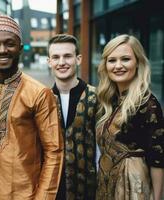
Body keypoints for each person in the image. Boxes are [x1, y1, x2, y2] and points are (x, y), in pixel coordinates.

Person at [0, 13, 64, 200]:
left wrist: (43, 197)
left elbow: (54, 152)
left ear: (20, 48)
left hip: (25, 194)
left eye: (10, 44)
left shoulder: (39, 93)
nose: (2, 50)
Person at [96, 34, 164, 200]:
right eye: (112, 60)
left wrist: (157, 198)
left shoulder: (147, 104)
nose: (118, 66)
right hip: (107, 186)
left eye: (125, 59)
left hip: (133, 189)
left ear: (138, 63)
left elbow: (158, 158)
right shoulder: (109, 100)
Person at [47, 34, 98, 200]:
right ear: (49, 62)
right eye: (56, 57)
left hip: (89, 191)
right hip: (53, 192)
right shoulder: (42, 99)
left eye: (67, 56)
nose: (62, 62)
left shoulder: (97, 97)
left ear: (78, 59)